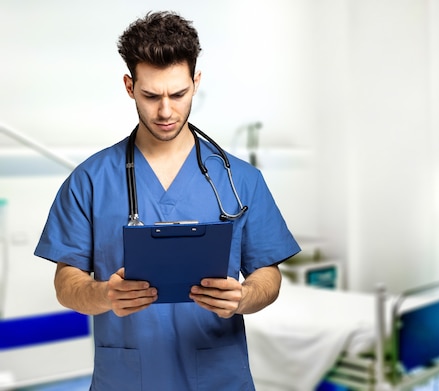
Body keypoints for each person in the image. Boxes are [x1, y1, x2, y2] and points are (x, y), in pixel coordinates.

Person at [34, 11, 300, 390]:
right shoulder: (89, 181)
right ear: (129, 86)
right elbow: (66, 284)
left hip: (216, 376)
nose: (165, 111)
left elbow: (268, 275)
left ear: (196, 82)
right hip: (128, 378)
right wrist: (104, 294)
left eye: (178, 94)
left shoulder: (240, 179)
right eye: (151, 95)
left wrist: (243, 297)